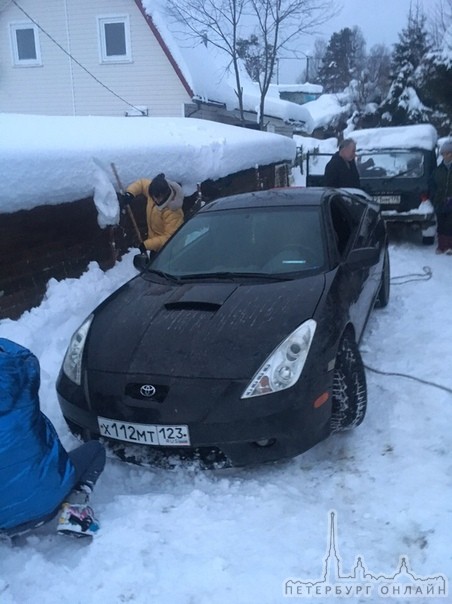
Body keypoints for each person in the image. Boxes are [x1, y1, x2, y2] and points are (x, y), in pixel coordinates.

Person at [0, 338, 106, 539]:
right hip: (47, 503)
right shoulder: (21, 385)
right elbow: (25, 357)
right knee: (95, 451)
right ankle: (75, 507)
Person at [121, 173, 184, 254]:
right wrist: (130, 193)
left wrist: (147, 245)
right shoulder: (155, 192)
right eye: (152, 196)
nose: (152, 199)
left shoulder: (173, 212)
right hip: (156, 246)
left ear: (161, 195)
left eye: (155, 197)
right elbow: (142, 183)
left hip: (170, 251)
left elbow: (170, 238)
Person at [432, 139, 452, 254]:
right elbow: (432, 185)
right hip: (440, 201)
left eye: (449, 153)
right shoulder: (438, 170)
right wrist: (434, 197)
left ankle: (450, 246)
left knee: (450, 224)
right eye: (445, 153)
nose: (447, 155)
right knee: (441, 224)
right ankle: (441, 246)